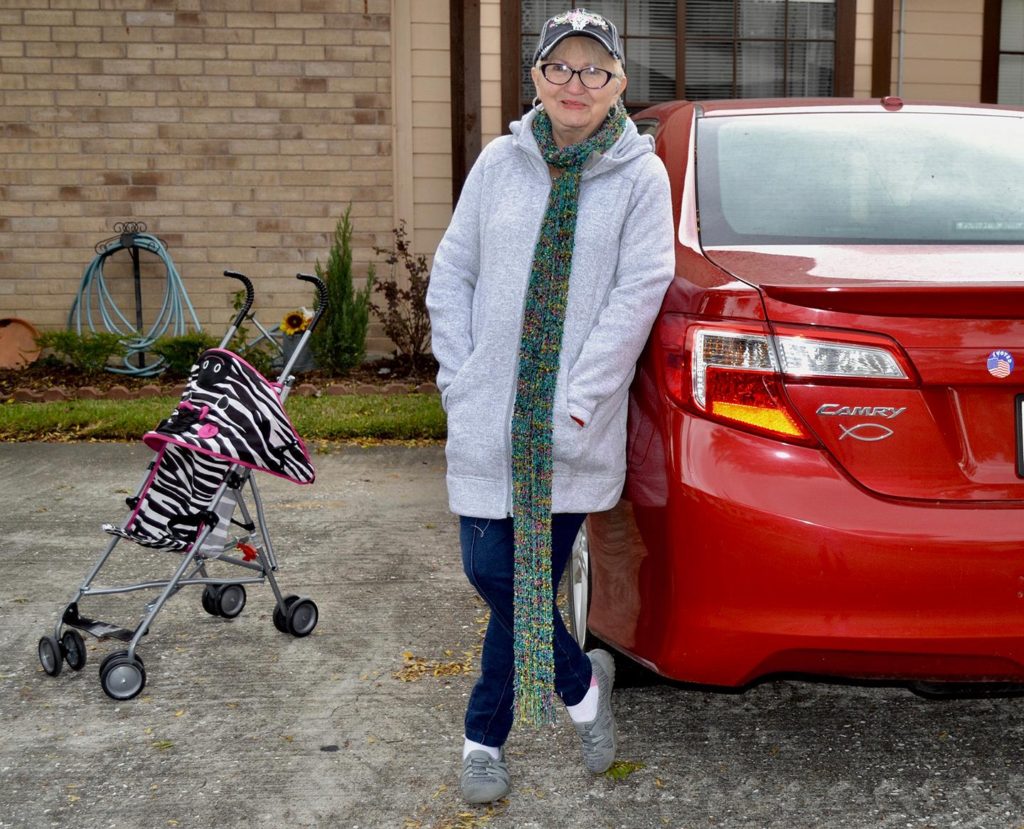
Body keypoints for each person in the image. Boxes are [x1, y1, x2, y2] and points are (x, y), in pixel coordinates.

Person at [426, 7, 675, 805]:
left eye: (594, 69)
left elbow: (638, 293)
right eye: (560, 67)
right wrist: (460, 374)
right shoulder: (500, 163)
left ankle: (481, 740)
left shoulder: (640, 177)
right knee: (492, 572)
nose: (577, 83)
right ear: (536, 76)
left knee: (522, 585)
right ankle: (582, 685)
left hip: (569, 423)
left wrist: (579, 399)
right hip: (488, 413)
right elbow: (453, 271)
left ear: (619, 82)